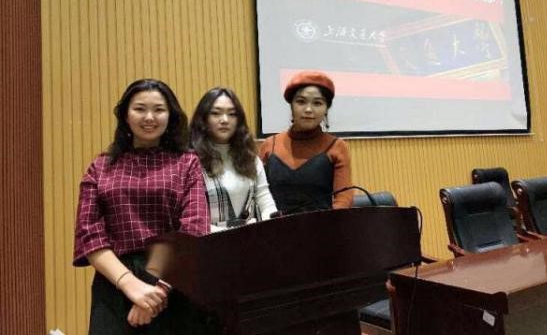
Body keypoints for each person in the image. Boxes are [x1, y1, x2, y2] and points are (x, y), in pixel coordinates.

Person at [73, 79, 212, 335]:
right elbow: (89, 235)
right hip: (114, 283)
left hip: (174, 283)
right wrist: (130, 285)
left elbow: (194, 229)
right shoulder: (100, 166)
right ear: (125, 115)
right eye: (140, 109)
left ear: (170, 115)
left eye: (159, 109)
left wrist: (157, 291)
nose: (149, 117)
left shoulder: (187, 163)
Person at [259, 71, 353, 214]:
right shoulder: (269, 145)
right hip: (275, 225)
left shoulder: (337, 147)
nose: (308, 109)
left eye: (317, 103)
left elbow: (343, 199)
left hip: (323, 226)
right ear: (291, 106)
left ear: (326, 109)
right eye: (301, 102)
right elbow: (258, 195)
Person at [190, 87, 278, 231]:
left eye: (232, 114)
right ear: (203, 118)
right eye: (216, 113)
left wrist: (271, 226)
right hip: (208, 240)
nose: (225, 120)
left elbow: (265, 201)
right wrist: (233, 235)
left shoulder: (250, 158)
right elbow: (192, 220)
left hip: (252, 239)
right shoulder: (191, 161)